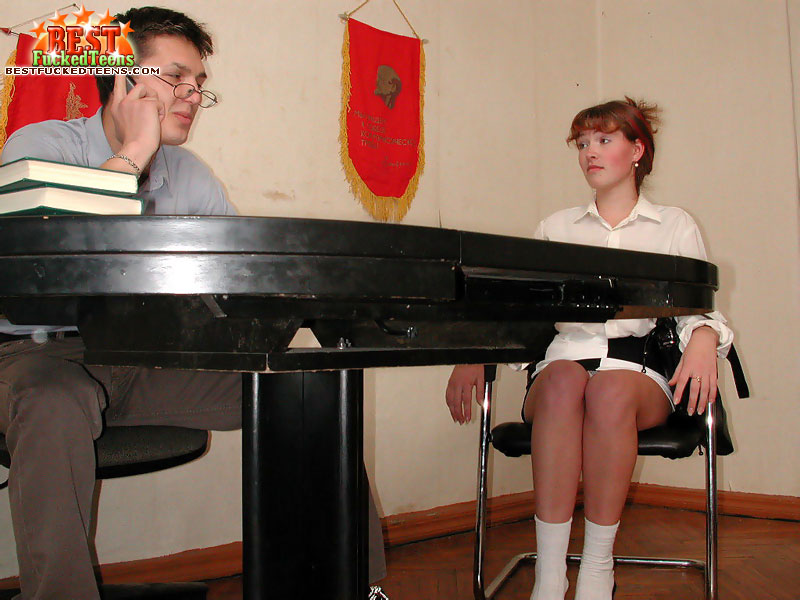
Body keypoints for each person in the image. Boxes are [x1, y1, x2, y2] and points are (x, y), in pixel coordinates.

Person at [0, 7, 387, 599]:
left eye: (198, 84)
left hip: (144, 358)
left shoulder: (191, 175)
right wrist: (135, 151)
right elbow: (47, 263)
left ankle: (355, 587)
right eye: (176, 77)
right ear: (122, 77)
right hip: (38, 356)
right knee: (55, 400)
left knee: (307, 385)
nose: (192, 96)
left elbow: (238, 283)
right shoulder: (41, 145)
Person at [444, 97, 733, 600]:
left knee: (608, 390)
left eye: (604, 140)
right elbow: (520, 312)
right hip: (563, 364)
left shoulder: (674, 225)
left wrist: (706, 337)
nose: (589, 153)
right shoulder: (555, 228)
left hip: (637, 372)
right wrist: (476, 351)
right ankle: (551, 573)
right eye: (582, 144)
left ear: (637, 150)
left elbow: (697, 308)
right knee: (563, 380)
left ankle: (598, 566)